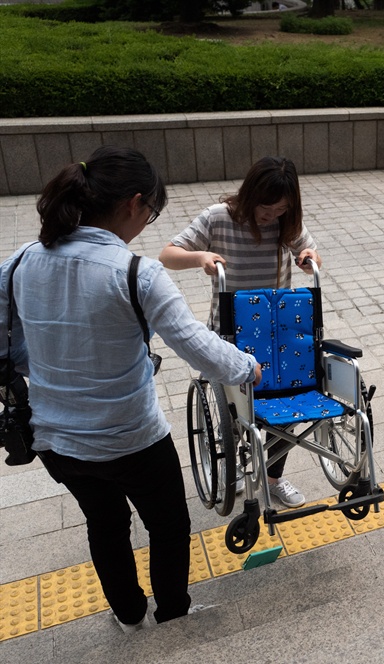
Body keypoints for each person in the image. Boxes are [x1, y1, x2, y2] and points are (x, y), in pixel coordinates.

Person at [0, 146, 262, 633]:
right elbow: (196, 345)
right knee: (167, 526)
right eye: (152, 212)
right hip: (132, 439)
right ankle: (173, 612)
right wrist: (247, 367)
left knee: (104, 524)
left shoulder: (21, 262)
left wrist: (49, 363)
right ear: (134, 203)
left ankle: (128, 615)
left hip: (58, 440)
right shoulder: (136, 273)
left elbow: (5, 346)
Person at [159, 156, 321, 509]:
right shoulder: (218, 217)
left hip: (276, 332)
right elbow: (167, 255)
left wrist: (309, 257)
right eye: (266, 208)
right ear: (250, 195)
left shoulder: (287, 223)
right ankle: (232, 466)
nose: (271, 217)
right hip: (230, 333)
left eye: (281, 210)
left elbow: (311, 256)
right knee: (235, 413)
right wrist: (200, 256)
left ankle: (274, 478)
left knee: (286, 407)